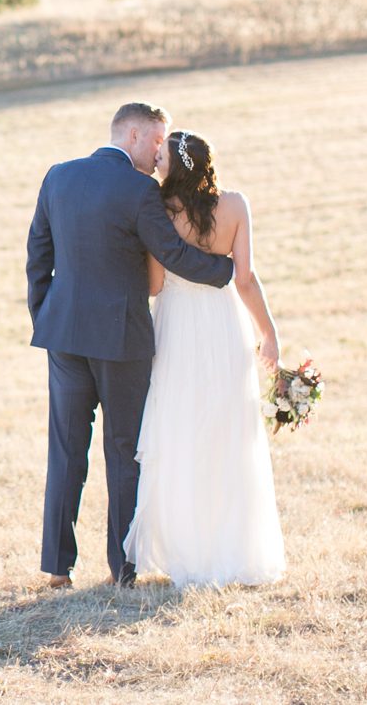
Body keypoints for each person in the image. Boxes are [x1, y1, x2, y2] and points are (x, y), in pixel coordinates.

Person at [27, 101, 236, 589]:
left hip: (64, 335)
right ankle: (122, 568)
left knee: (66, 450)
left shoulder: (58, 176)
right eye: (158, 141)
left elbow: (38, 253)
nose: (160, 152)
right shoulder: (139, 189)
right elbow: (174, 255)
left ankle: (58, 567)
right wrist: (226, 270)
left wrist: (46, 315)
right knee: (125, 451)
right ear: (136, 136)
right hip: (121, 340)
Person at [123, 127, 285, 586]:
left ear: (173, 169)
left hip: (176, 326)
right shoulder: (235, 206)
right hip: (223, 324)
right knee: (228, 430)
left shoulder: (160, 211)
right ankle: (232, 547)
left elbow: (154, 286)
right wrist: (269, 333)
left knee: (180, 430)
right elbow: (246, 279)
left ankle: (187, 549)